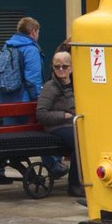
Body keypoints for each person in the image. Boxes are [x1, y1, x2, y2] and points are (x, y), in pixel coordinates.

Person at [36, 50, 85, 198]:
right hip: (58, 126)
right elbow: (41, 114)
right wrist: (63, 115)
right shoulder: (50, 87)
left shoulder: (79, 84)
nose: (61, 70)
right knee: (79, 143)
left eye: (64, 66)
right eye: (57, 67)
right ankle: (74, 185)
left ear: (71, 67)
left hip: (75, 124)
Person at [0, 17, 45, 124]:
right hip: (24, 101)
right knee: (27, 137)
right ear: (34, 32)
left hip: (4, 99)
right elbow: (33, 79)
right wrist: (39, 99)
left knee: (9, 136)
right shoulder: (31, 50)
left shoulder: (7, 46)